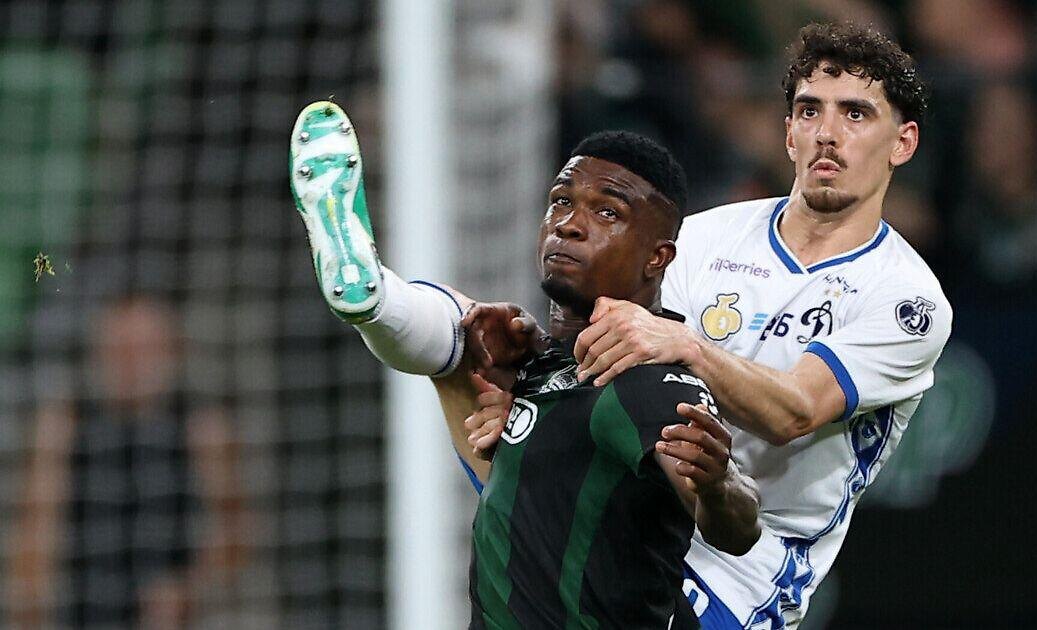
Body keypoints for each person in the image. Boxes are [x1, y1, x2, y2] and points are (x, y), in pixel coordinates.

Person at [471, 22, 952, 627]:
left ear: (902, 143)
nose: (827, 133)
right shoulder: (705, 237)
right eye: (810, 111)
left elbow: (796, 412)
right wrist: (532, 376)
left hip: (750, 563)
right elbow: (610, 339)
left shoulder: (907, 299)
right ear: (789, 133)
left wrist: (687, 345)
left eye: (855, 114)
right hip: (645, 502)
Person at [288, 104, 761, 628]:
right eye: (561, 201)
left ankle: (380, 301)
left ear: (658, 258)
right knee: (462, 337)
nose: (569, 225)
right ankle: (376, 299)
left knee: (455, 334)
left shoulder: (644, 377)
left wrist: (719, 484)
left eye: (607, 213)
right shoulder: (545, 365)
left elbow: (738, 528)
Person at [5, 295, 246, 629]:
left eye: (144, 351)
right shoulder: (65, 424)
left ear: (173, 353)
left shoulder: (202, 428)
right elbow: (34, 541)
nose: (131, 366)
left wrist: (190, 589)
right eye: (119, 351)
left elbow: (235, 537)